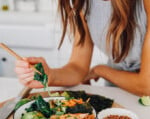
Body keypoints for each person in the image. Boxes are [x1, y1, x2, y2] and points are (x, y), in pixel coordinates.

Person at [15, 0, 150, 96]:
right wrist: (50, 75)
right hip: (118, 83)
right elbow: (78, 67)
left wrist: (100, 70)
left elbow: (146, 86)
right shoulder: (84, 3)